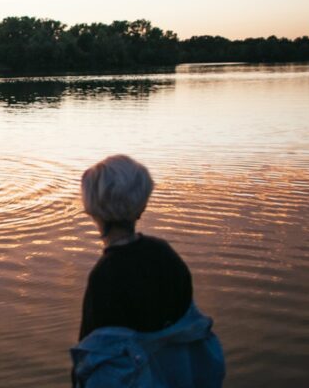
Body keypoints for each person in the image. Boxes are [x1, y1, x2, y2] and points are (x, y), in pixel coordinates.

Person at [71, 155, 224, 387]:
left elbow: (94, 354)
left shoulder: (106, 275)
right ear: (142, 205)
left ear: (91, 209)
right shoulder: (165, 254)